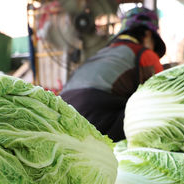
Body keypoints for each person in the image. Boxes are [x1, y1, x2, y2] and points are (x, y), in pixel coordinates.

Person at [60, 7, 166, 141]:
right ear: (147, 34)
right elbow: (161, 97)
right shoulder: (144, 54)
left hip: (62, 117)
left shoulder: (102, 53)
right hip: (94, 118)